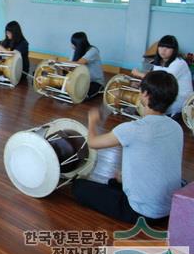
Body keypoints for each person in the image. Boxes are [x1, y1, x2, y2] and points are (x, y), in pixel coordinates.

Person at [72, 70, 183, 224]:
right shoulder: (176, 127)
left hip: (142, 213)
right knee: (114, 182)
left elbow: (93, 143)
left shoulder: (132, 129)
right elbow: (156, 159)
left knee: (79, 187)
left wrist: (92, 121)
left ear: (144, 95)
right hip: (171, 207)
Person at [132, 35, 193, 118]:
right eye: (161, 46)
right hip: (165, 92)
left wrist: (139, 74)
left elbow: (161, 81)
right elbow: (154, 81)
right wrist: (141, 84)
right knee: (143, 99)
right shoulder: (158, 62)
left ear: (174, 50)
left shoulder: (179, 63)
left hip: (179, 97)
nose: (163, 50)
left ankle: (174, 114)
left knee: (149, 106)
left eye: (168, 48)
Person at [70, 32, 104, 99]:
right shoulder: (75, 51)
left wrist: (58, 62)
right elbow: (70, 67)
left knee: (81, 96)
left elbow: (78, 63)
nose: (71, 45)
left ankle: (100, 88)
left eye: (72, 43)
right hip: (81, 80)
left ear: (78, 44)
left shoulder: (93, 51)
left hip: (95, 82)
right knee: (68, 91)